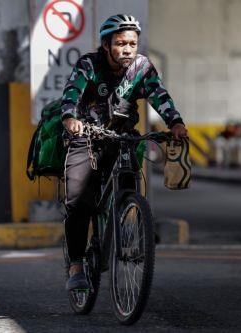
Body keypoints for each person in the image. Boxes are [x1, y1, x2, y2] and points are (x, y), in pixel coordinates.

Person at [61, 14, 188, 290]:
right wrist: (71, 118)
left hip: (122, 136)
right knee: (80, 201)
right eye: (120, 43)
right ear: (106, 44)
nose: (128, 49)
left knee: (129, 183)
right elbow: (71, 92)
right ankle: (76, 264)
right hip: (88, 137)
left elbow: (160, 96)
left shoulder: (142, 67)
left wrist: (175, 122)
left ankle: (124, 218)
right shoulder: (89, 65)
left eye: (132, 43)